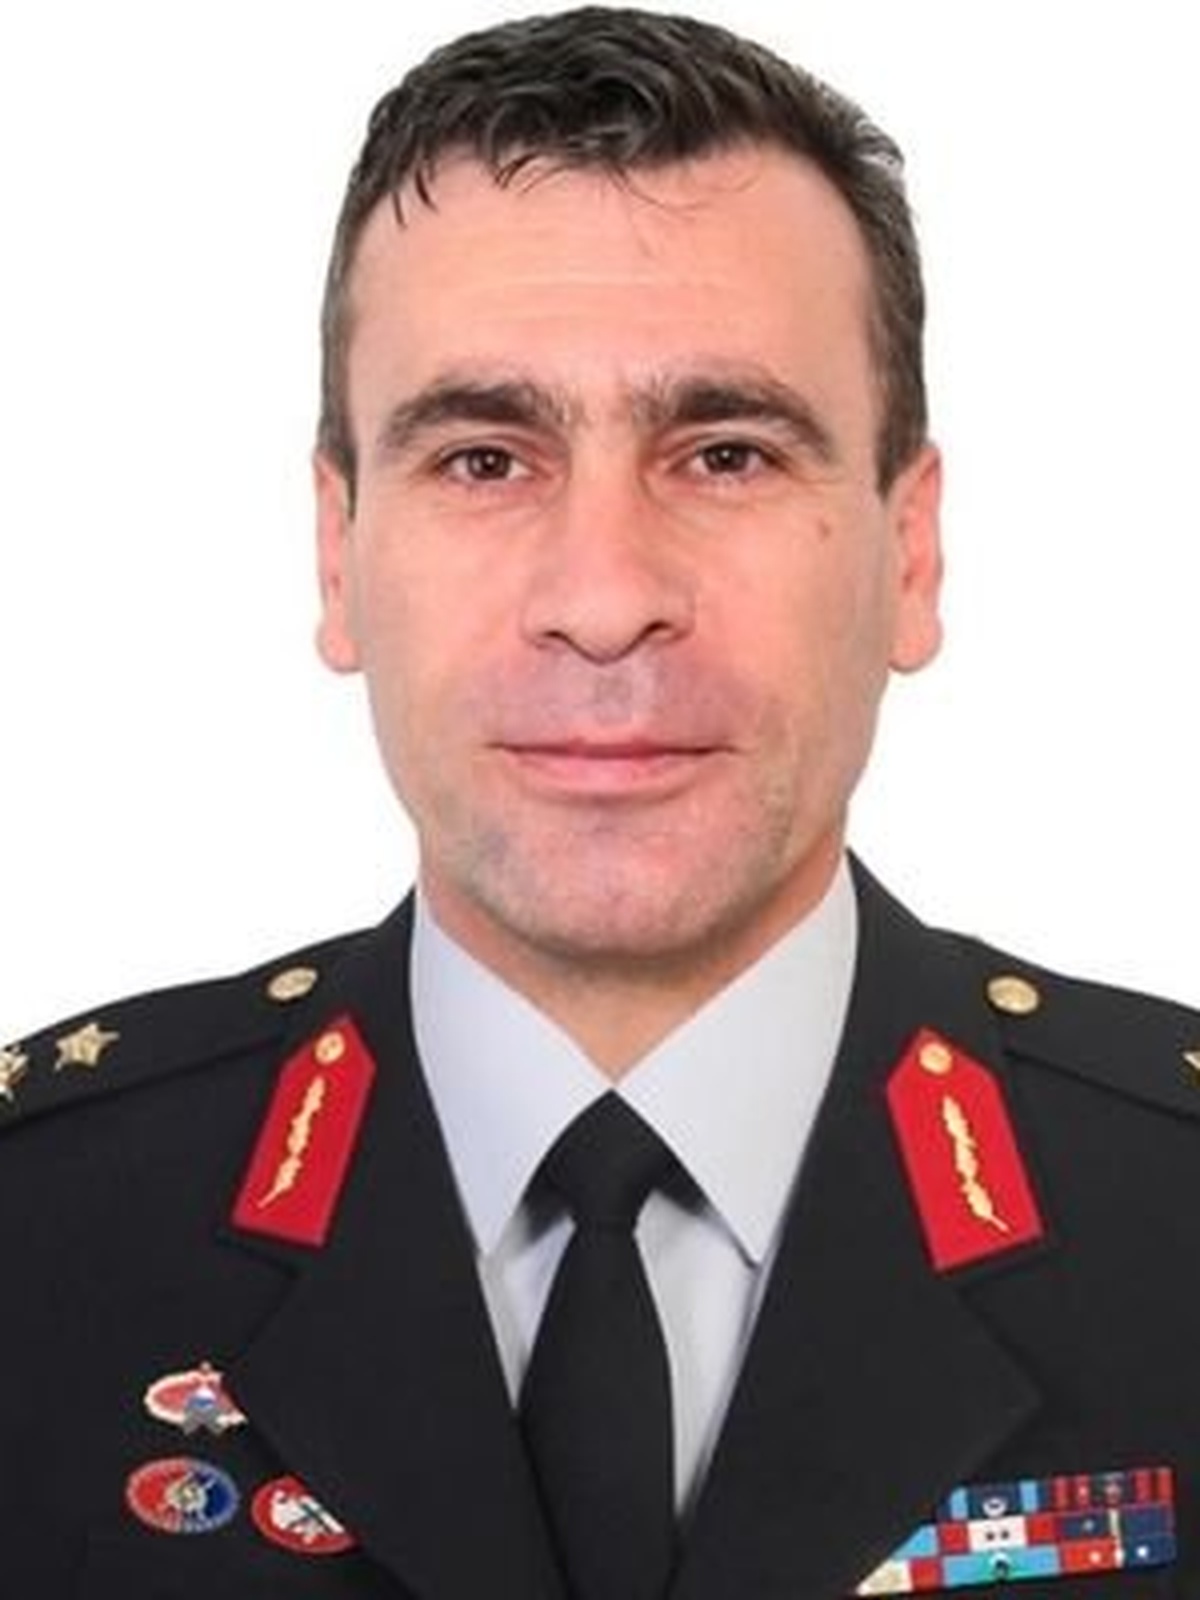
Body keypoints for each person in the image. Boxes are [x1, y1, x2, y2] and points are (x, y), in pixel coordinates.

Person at [1, 7, 1197, 1596]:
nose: (605, 598)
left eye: (728, 454)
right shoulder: (35, 1226)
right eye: (483, 460)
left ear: (910, 554)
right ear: (337, 554)